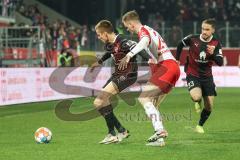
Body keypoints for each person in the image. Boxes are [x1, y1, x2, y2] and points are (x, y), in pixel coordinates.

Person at [119, 10, 180, 147]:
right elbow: (153, 57)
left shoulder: (143, 31)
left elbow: (144, 41)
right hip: (171, 67)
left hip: (167, 67)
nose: (127, 29)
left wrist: (129, 54)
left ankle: (160, 131)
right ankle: (160, 139)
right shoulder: (151, 31)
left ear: (131, 24)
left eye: (127, 26)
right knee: (153, 104)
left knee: (143, 97)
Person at [91, 20, 146, 144]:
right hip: (117, 74)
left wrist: (151, 59)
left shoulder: (123, 41)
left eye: (99, 35)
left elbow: (140, 48)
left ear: (105, 33)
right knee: (97, 103)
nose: (99, 37)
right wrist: (99, 62)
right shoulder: (109, 44)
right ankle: (121, 130)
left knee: (101, 99)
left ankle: (112, 134)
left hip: (128, 74)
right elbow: (109, 52)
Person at [176, 18, 223, 133]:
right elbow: (179, 44)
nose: (204, 31)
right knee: (196, 97)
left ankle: (200, 125)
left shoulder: (216, 43)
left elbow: (220, 63)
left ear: (213, 30)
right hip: (193, 73)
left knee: (209, 107)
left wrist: (212, 55)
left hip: (207, 77)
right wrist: (177, 59)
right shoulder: (193, 38)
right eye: (203, 28)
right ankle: (197, 101)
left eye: (207, 29)